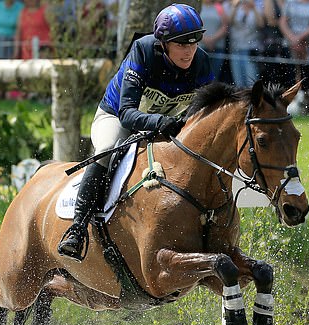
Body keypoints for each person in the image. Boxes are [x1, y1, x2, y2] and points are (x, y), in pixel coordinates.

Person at [57, 3, 213, 261]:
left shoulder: (202, 63)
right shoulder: (142, 51)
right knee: (106, 151)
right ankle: (77, 228)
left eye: (194, 42)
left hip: (164, 123)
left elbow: (204, 113)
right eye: (181, 44)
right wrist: (160, 122)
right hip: (117, 117)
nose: (189, 51)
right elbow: (127, 113)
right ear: (163, 43)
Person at [227, 0, 264, 87]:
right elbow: (229, 22)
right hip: (236, 49)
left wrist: (254, 7)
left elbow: (261, 24)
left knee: (251, 80)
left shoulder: (257, 7)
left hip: (250, 50)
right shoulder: (234, 7)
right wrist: (235, 6)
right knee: (238, 82)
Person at [200, 0, 228, 81]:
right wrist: (204, 39)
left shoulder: (219, 7)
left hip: (217, 48)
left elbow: (225, 27)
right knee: (201, 76)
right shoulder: (197, 7)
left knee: (214, 76)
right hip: (201, 48)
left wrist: (212, 39)